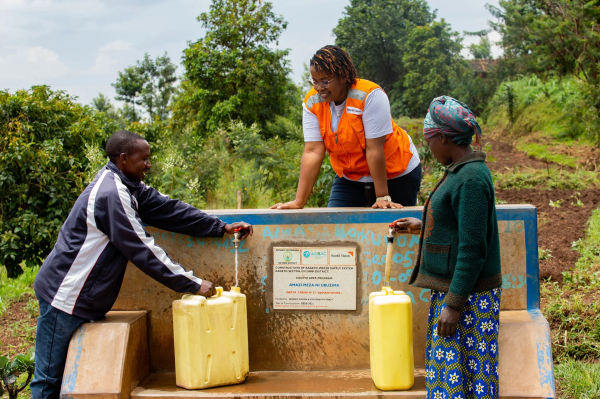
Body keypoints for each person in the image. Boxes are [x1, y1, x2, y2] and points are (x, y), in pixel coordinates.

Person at [30, 130, 253, 398]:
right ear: (124, 159)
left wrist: (221, 227)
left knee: (64, 379)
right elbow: (142, 249)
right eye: (143, 159)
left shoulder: (128, 185)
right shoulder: (111, 195)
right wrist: (193, 284)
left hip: (81, 298)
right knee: (48, 380)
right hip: (65, 298)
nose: (149, 165)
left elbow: (170, 210)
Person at [392, 96, 502, 399]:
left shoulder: (471, 179)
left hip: (468, 298)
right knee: (455, 375)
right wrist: (422, 226)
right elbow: (458, 224)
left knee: (464, 376)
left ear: (442, 137)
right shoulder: (461, 171)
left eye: (429, 141)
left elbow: (473, 247)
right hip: (460, 290)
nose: (429, 148)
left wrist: (453, 305)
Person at [271, 45, 421, 210]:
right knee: (336, 228)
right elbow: (313, 151)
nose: (320, 88)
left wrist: (382, 197)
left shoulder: (370, 95)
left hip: (395, 173)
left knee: (393, 228)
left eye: (325, 81)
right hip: (351, 178)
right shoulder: (312, 102)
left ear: (343, 76)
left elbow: (374, 149)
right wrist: (299, 202)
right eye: (315, 81)